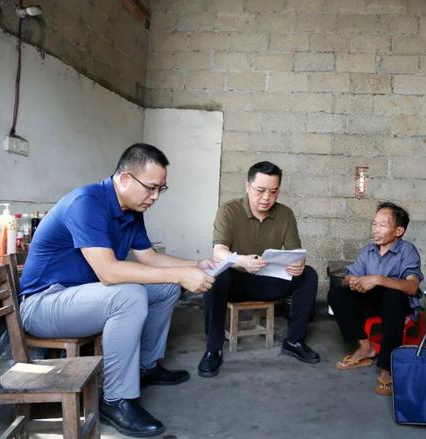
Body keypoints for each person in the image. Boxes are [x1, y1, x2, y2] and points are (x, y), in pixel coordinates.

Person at [19, 143, 216, 437]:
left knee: (165, 287)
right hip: (43, 303)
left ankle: (146, 366)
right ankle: (115, 400)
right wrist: (181, 274)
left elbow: (149, 257)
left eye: (161, 189)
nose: (155, 196)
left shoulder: (131, 210)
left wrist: (195, 265)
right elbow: (109, 272)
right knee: (129, 295)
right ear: (125, 178)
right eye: (151, 188)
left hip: (85, 294)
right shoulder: (86, 203)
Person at [198, 161, 319, 377]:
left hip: (268, 279)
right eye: (260, 190)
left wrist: (298, 262)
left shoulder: (285, 214)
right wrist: (242, 261)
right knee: (215, 276)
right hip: (236, 281)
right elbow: (219, 252)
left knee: (309, 274)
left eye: (273, 192)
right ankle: (213, 350)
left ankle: (294, 341)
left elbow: (296, 252)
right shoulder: (229, 210)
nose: (266, 198)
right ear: (247, 186)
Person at [328, 202, 423, 395]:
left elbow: (412, 287)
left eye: (382, 225)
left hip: (397, 304)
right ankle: (365, 347)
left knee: (393, 297)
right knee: (336, 293)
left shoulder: (407, 251)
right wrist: (351, 280)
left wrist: (378, 279)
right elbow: (349, 275)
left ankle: (387, 366)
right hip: (372, 301)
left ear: (398, 231)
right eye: (374, 224)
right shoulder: (368, 250)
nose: (375, 230)